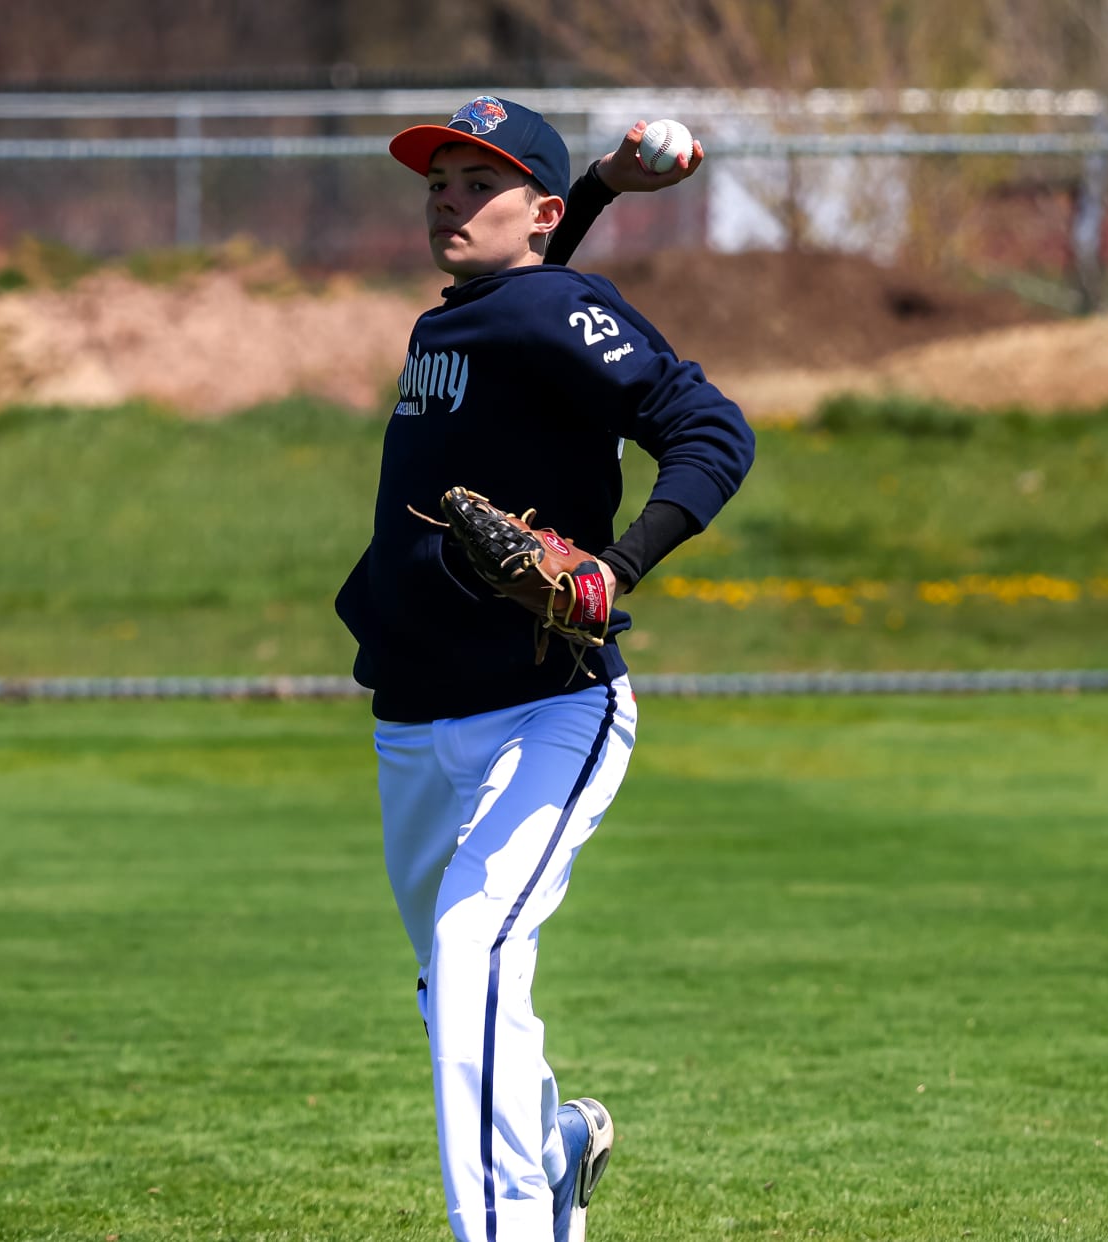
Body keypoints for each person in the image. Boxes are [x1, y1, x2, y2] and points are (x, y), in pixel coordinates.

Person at [334, 97, 755, 1242]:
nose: (449, 202)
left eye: (481, 185)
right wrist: (606, 191)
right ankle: (553, 1145)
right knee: (454, 992)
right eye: (439, 184)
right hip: (415, 717)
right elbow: (538, 295)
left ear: (539, 211)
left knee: (473, 954)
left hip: (544, 712)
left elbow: (712, 430)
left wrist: (616, 572)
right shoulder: (473, 315)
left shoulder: (546, 306)